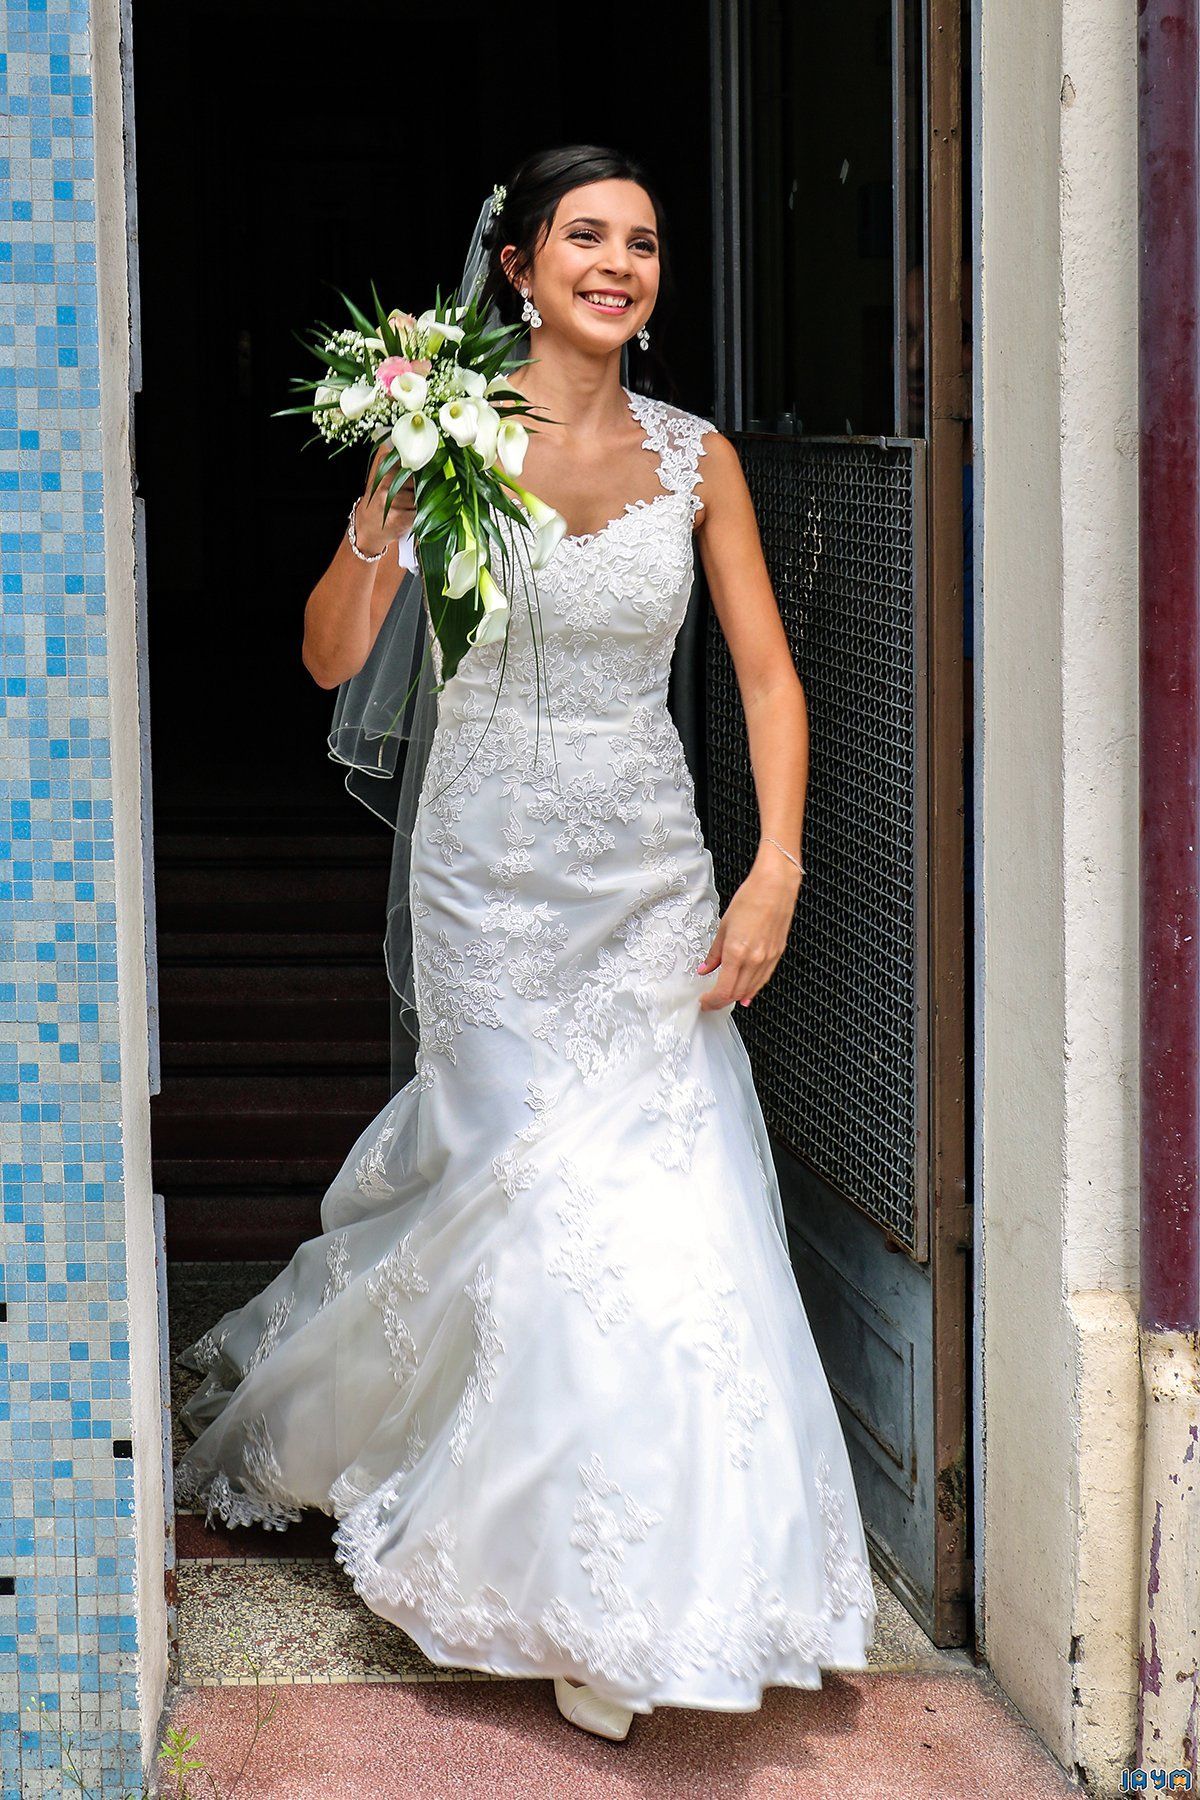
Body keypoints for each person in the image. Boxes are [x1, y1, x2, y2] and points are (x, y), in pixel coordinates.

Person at [173, 144, 877, 1743]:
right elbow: (329, 657)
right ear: (520, 266)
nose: (619, 264)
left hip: (647, 883)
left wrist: (774, 869)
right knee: (533, 1204)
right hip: (486, 887)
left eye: (644, 243)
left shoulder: (697, 459)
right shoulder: (445, 436)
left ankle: (627, 1591)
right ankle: (526, 1553)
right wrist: (381, 503)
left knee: (666, 1222)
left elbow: (768, 677)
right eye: (588, 237)